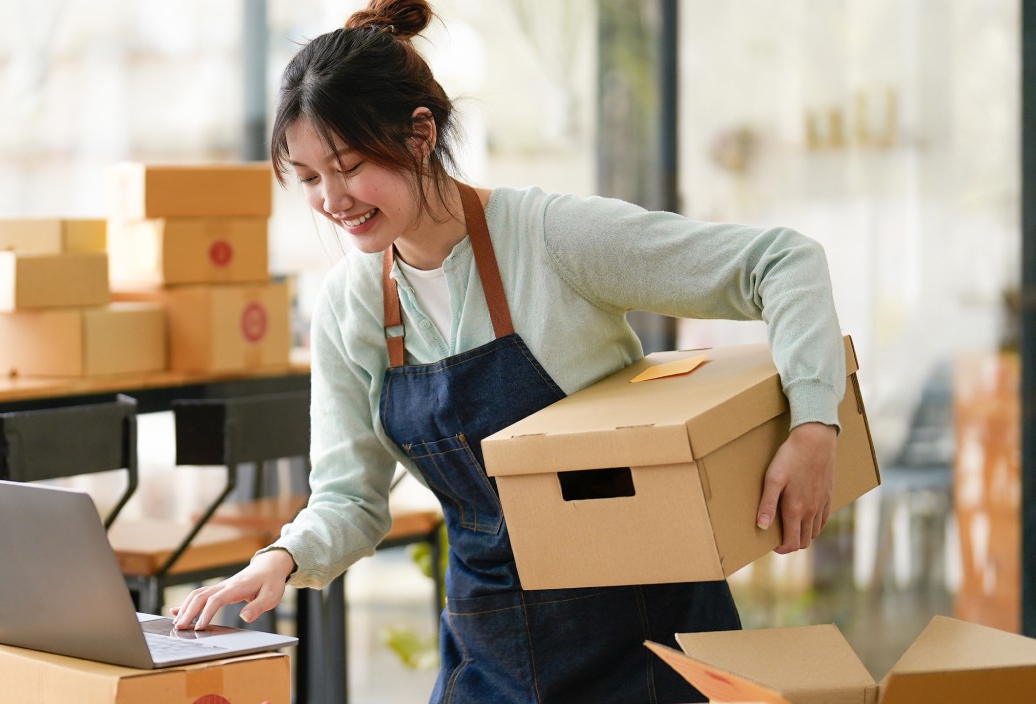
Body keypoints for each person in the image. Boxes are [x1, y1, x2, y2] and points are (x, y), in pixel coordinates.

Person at [169, 1, 844, 701]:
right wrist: (283, 558)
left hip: (650, 636)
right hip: (491, 650)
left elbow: (781, 262)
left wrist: (814, 425)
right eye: (309, 178)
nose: (333, 199)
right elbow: (350, 497)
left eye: (351, 166)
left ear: (421, 133)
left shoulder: (552, 239)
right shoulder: (349, 305)